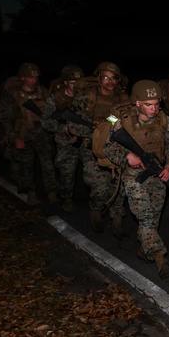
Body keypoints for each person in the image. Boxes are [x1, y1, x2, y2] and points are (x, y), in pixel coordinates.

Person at [101, 80, 169, 278]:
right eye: (148, 104)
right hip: (133, 175)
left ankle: (144, 249)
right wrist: (127, 156)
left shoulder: (166, 121)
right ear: (137, 103)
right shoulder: (123, 121)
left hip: (156, 174)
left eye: (157, 104)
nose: (154, 108)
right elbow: (108, 148)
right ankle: (159, 257)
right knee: (145, 215)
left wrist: (168, 167)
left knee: (153, 217)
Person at [63, 61, 130, 234]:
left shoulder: (124, 99)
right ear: (99, 79)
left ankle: (117, 219)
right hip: (92, 148)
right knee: (99, 186)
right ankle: (95, 210)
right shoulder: (86, 98)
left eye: (114, 78)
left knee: (119, 185)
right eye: (106, 77)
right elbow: (72, 124)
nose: (110, 82)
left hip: (117, 149)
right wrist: (97, 128)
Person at [0, 63, 56, 205]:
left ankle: (52, 192)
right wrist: (14, 138)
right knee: (26, 166)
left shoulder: (45, 93)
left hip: (43, 135)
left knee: (48, 166)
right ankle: (31, 192)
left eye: (36, 77)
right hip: (24, 135)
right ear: (22, 78)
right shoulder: (13, 96)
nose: (34, 80)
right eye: (30, 77)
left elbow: (52, 114)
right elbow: (7, 120)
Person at [42, 64, 84, 211]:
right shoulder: (56, 98)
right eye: (73, 83)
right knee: (67, 173)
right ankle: (66, 197)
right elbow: (45, 121)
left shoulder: (87, 97)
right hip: (66, 142)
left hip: (86, 141)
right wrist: (61, 128)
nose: (77, 86)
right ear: (65, 82)